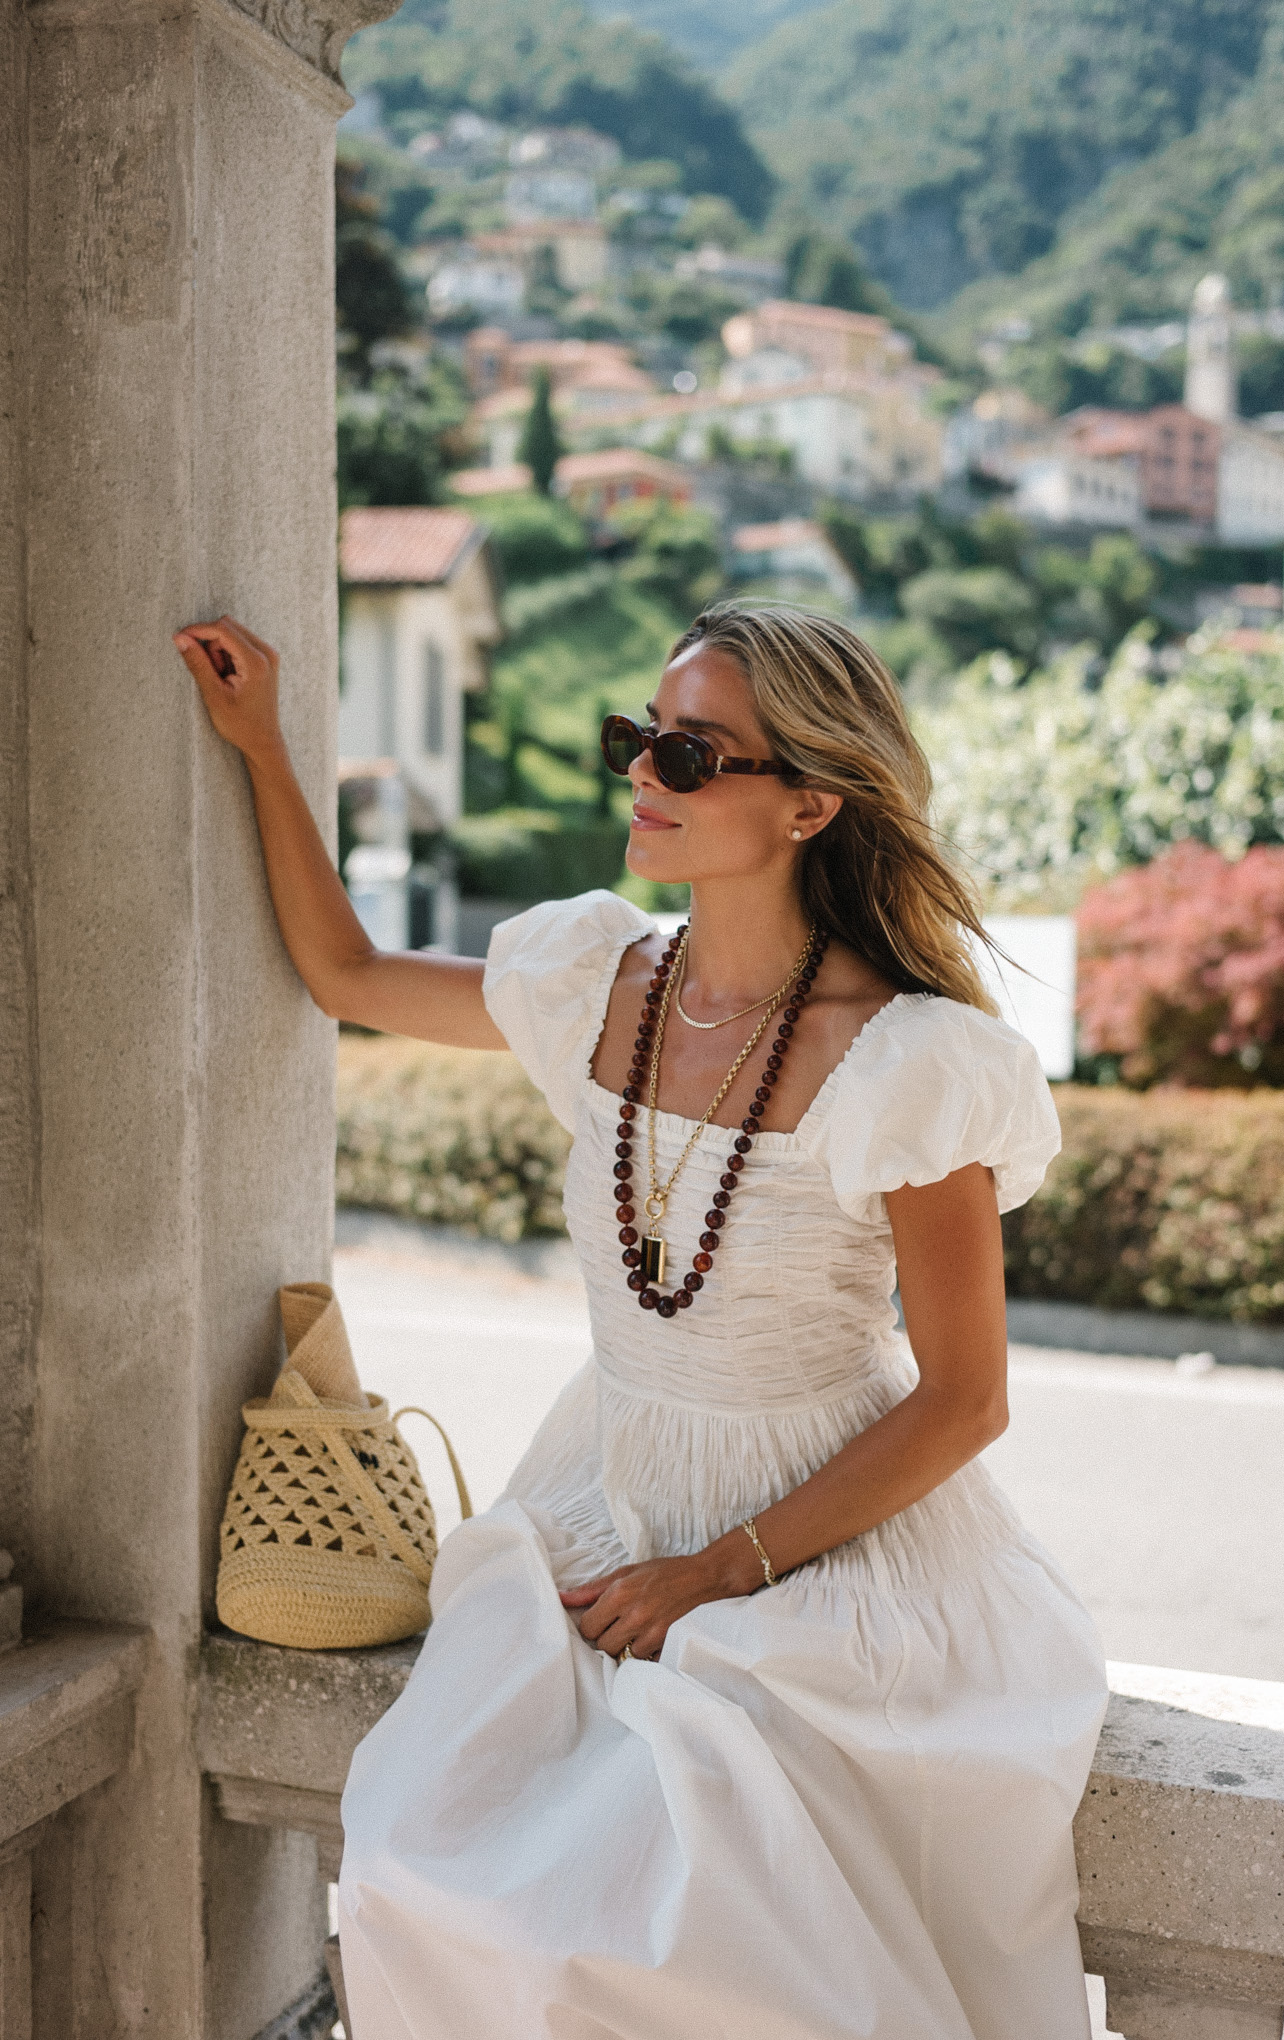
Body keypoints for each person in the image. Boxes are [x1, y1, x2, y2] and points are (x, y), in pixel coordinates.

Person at [174, 603, 1107, 2040]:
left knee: (710, 1936)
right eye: (638, 740)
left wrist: (713, 1575)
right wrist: (263, 748)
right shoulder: (599, 979)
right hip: (606, 1497)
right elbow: (349, 976)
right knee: (430, 1864)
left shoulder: (914, 1062)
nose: (645, 777)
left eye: (691, 751)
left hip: (820, 1548)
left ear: (811, 801)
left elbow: (966, 1401)